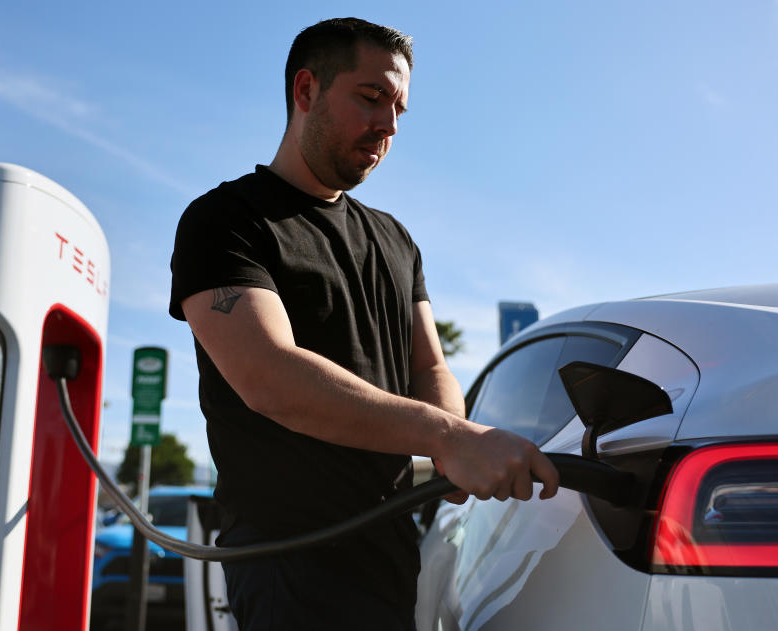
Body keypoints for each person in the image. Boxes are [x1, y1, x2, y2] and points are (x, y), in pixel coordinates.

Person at [169, 17, 559, 631]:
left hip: (390, 549)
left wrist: (454, 443)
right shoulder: (227, 221)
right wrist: (449, 440)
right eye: (372, 98)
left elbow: (429, 365)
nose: (389, 124)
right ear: (306, 91)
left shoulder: (395, 240)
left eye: (399, 108)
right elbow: (268, 376)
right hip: (287, 562)